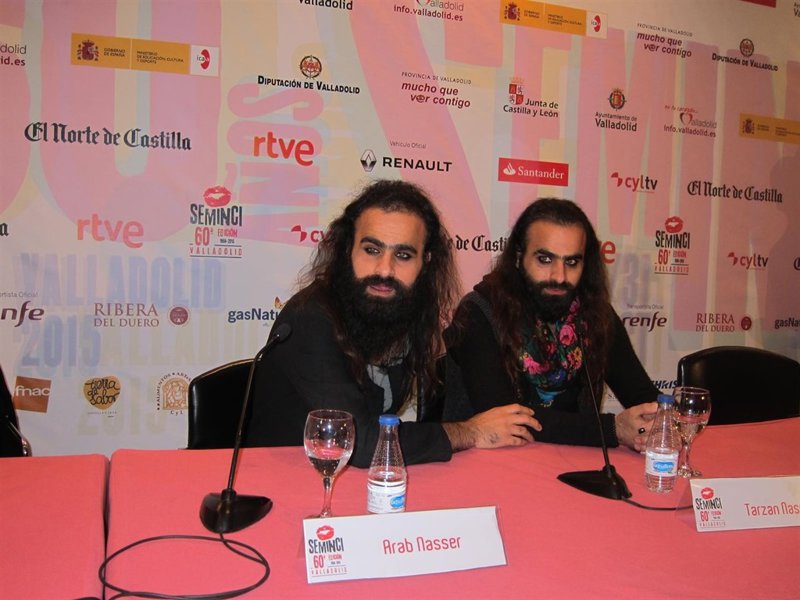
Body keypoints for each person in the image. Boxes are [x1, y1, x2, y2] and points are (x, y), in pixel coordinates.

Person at [245, 179, 540, 466]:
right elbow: (358, 442)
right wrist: (470, 432)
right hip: (286, 481)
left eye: (403, 255)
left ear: (425, 262)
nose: (385, 270)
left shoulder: (401, 308)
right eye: (372, 250)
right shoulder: (309, 319)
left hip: (359, 481)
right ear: (348, 250)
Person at [445, 198, 659, 451]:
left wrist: (659, 419)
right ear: (518, 257)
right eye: (545, 259)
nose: (559, 276)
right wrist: (612, 429)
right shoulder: (478, 312)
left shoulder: (593, 313)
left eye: (572, 262)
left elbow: (642, 396)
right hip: (487, 463)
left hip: (571, 463)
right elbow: (505, 418)